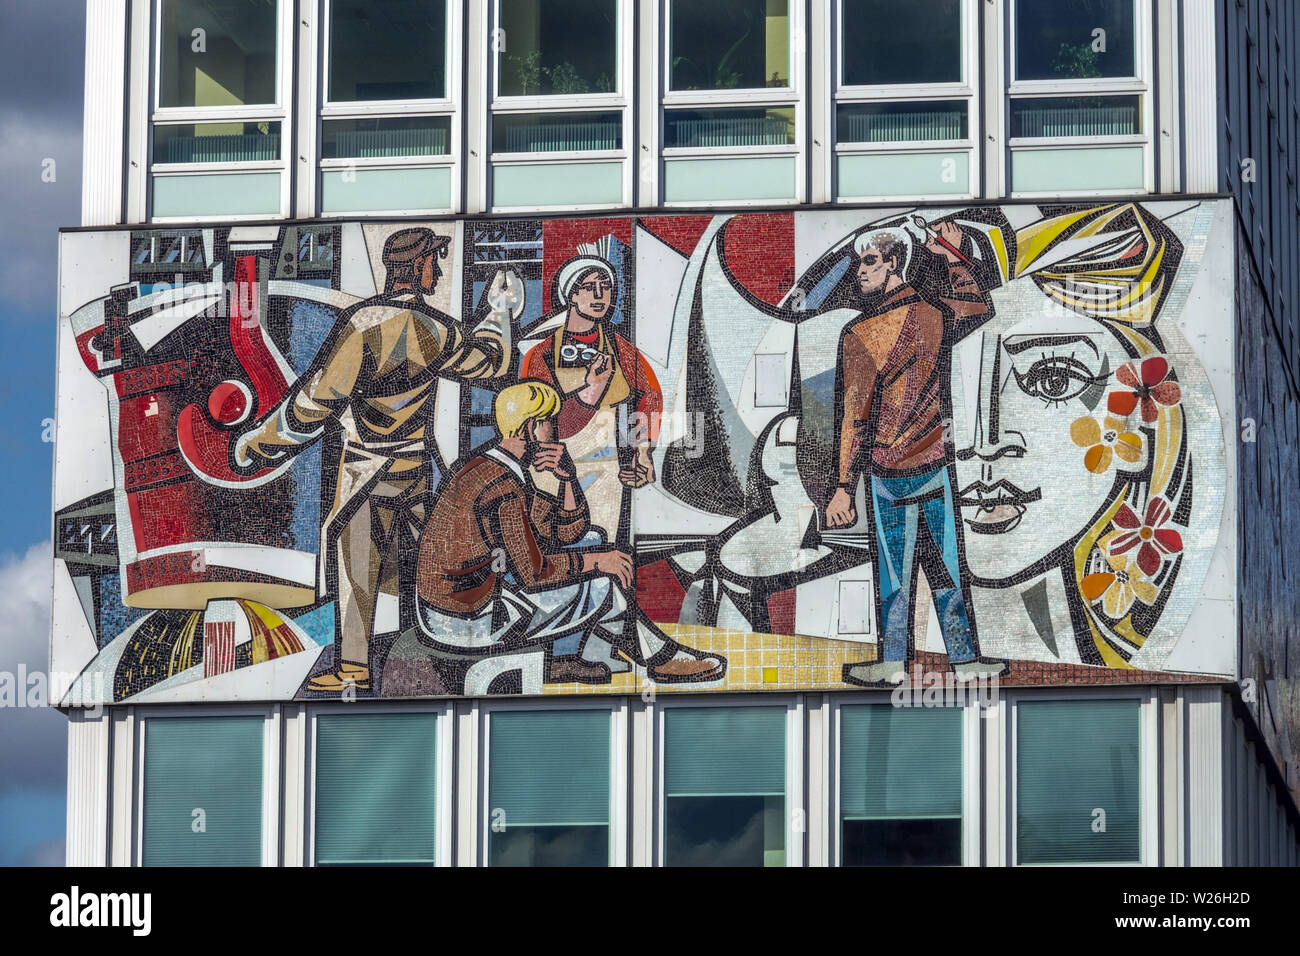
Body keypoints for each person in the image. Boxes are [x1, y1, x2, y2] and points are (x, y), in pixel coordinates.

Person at [234, 227, 512, 694]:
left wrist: (258, 445)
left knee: (356, 571)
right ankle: (448, 652)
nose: (438, 271)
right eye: (433, 262)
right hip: (418, 471)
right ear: (417, 266)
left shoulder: (363, 324)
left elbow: (313, 403)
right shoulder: (436, 328)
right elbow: (491, 363)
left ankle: (354, 669)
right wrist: (499, 312)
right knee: (434, 563)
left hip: (366, 471)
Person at [415, 381, 726, 685]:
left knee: (591, 540)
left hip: (461, 603)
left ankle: (563, 660)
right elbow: (534, 573)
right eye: (551, 423)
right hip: (467, 620)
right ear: (532, 427)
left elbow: (568, 530)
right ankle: (659, 659)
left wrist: (567, 478)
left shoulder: (492, 469)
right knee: (603, 582)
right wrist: (599, 563)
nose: (557, 432)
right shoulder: (503, 488)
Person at [825, 220, 1006, 686]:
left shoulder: (861, 333)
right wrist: (944, 248)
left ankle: (897, 662)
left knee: (898, 574)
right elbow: (976, 301)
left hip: (892, 471)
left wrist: (843, 487)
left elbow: (853, 419)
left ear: (892, 263)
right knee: (943, 567)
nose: (859, 272)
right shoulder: (932, 313)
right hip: (925, 466)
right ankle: (963, 662)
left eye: (868, 261)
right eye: (858, 262)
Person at [521, 255, 661, 539]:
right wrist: (591, 391)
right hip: (553, 474)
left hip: (607, 474)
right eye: (589, 287)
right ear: (571, 295)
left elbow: (651, 394)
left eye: (606, 286)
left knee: (603, 543)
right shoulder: (541, 353)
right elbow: (540, 423)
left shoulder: (620, 349)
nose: (600, 295)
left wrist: (643, 451)